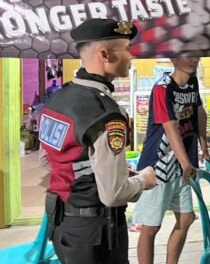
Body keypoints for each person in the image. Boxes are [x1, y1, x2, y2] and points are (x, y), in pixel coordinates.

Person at [39, 18, 157, 264]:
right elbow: (113, 194)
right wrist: (143, 180)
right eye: (127, 49)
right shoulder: (105, 113)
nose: (131, 57)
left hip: (63, 227)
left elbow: (48, 160)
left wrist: (100, 172)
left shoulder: (59, 98)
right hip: (97, 235)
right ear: (105, 54)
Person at [134, 56, 210, 264]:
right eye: (187, 55)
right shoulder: (162, 88)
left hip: (183, 164)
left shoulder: (192, 82)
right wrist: (186, 163)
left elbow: (199, 111)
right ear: (174, 59)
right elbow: (170, 127)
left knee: (186, 218)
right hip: (157, 165)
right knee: (151, 227)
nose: (194, 59)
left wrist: (204, 145)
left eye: (195, 55)